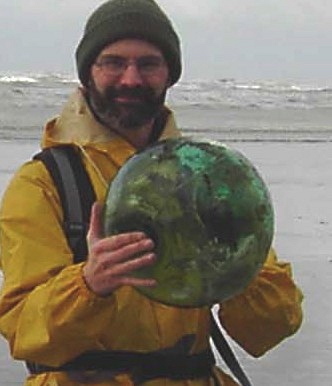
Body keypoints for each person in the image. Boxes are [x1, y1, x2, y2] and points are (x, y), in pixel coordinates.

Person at [0, 0, 303, 385]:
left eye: (148, 64)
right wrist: (90, 284)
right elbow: (24, 334)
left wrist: (238, 271)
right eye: (113, 62)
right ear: (87, 74)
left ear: (169, 75)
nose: (131, 79)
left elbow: (271, 328)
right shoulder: (43, 183)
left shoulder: (206, 178)